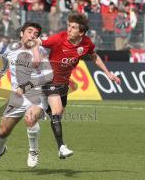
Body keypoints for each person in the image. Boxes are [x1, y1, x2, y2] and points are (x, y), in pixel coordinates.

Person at [31, 12, 121, 159]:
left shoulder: (86, 43)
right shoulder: (58, 38)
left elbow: (94, 56)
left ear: (81, 32)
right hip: (49, 80)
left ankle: (42, 111)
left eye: (73, 27)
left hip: (64, 84)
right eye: (69, 26)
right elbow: (36, 41)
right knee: (57, 111)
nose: (69, 29)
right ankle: (61, 147)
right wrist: (35, 54)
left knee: (57, 114)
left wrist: (108, 73)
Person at [0, 22, 53, 169]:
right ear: (21, 34)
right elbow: (5, 59)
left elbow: (48, 76)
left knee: (30, 119)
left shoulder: (40, 51)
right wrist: (3, 71)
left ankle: (34, 151)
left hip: (37, 94)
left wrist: (26, 86)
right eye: (29, 32)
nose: (32, 35)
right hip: (17, 97)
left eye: (36, 34)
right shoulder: (11, 48)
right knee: (3, 131)